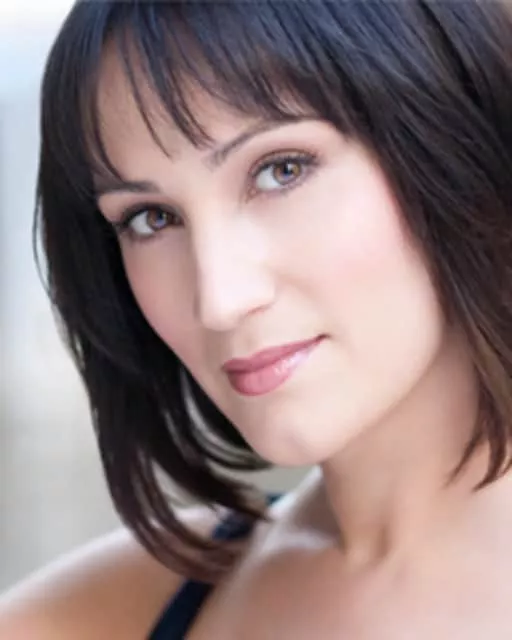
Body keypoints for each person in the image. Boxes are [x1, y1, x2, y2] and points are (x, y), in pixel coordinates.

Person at [2, 0, 512, 637]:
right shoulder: (98, 615)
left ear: (451, 143)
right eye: (151, 218)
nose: (220, 299)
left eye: (281, 170)